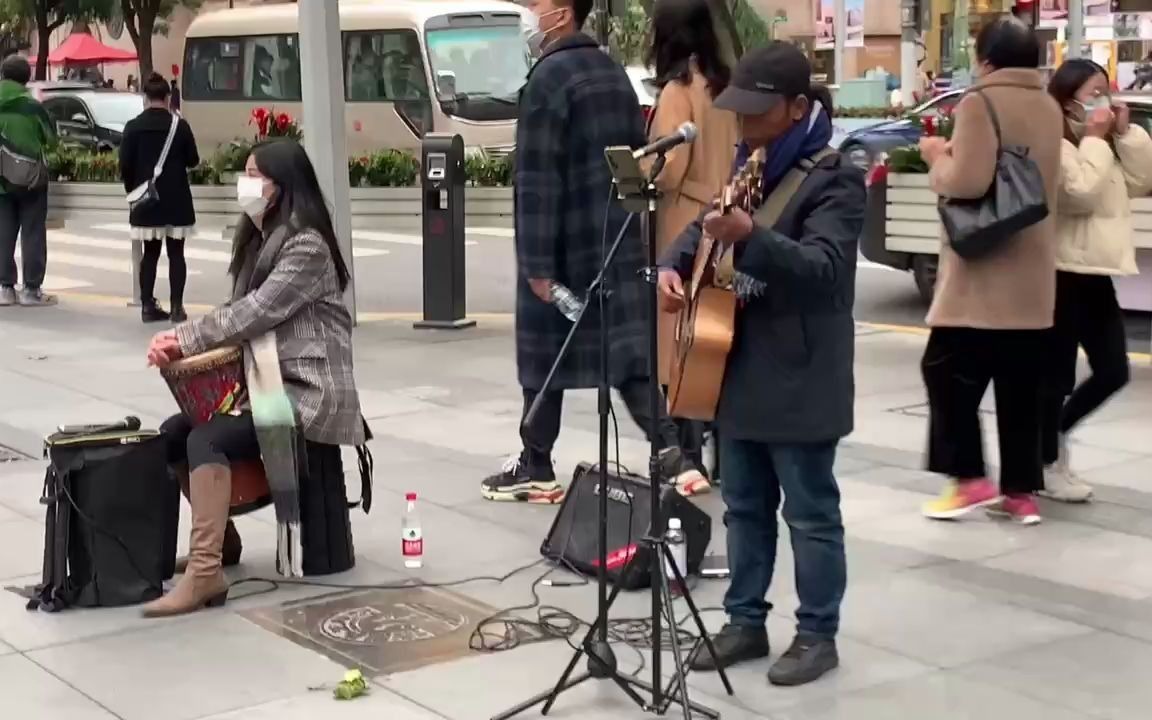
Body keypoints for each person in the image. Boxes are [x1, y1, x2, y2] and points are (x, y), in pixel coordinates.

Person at [658, 42, 864, 687]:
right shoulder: (752, 162)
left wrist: (755, 237)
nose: (742, 125)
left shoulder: (834, 175)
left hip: (802, 370)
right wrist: (672, 262)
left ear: (798, 107)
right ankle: (744, 620)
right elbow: (704, 228)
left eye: (756, 112)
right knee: (743, 506)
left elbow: (825, 271)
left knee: (809, 512)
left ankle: (816, 633)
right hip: (738, 367)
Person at [481, 0, 701, 503]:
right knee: (627, 359)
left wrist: (537, 267)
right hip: (612, 237)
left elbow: (536, 181)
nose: (528, 13)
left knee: (544, 362)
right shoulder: (611, 73)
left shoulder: (548, 80)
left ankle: (536, 465)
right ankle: (672, 456)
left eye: (535, 4)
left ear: (563, 13)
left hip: (560, 244)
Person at [142, 139, 364, 617]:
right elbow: (235, 312)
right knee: (173, 433)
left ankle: (205, 575)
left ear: (282, 187)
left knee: (207, 439)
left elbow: (256, 313)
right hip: (262, 385)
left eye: (253, 174)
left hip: (306, 392)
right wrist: (178, 340)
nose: (245, 184)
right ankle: (217, 546)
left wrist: (183, 338)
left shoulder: (307, 245)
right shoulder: (261, 241)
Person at [919, 17, 1063, 525]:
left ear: (985, 59)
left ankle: (969, 479)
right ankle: (1021, 494)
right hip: (1032, 278)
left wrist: (936, 157)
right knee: (1020, 389)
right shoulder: (1048, 105)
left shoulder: (980, 102)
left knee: (944, 375)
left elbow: (969, 180)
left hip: (980, 279)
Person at [1039, 59, 1152, 502]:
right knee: (1056, 378)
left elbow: (1140, 182)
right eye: (1092, 93)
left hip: (1095, 272)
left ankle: (1052, 439)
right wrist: (1093, 139)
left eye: (1106, 91)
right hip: (1062, 270)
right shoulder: (1057, 144)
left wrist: (1125, 136)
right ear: (1066, 101)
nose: (1102, 101)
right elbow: (1078, 194)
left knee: (1113, 370)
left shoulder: (1098, 145)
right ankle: (1046, 462)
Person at [646, 0, 739, 494]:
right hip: (727, 219)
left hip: (686, 220)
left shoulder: (678, 91)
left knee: (678, 345)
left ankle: (688, 457)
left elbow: (671, 166)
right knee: (715, 338)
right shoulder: (725, 85)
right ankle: (727, 455)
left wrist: (641, 170)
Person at [120, 72, 200, 323]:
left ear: (145, 98)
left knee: (150, 253)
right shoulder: (180, 126)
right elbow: (193, 160)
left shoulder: (133, 127)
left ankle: (147, 306)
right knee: (177, 254)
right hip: (176, 199)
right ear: (167, 98)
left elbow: (125, 166)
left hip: (146, 199)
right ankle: (177, 307)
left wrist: (134, 190)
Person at [0, 54, 56, 307]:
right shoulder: (33, 106)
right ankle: (31, 290)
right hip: (31, 180)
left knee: (3, 232)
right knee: (32, 232)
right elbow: (52, 141)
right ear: (27, 78)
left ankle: (5, 288)